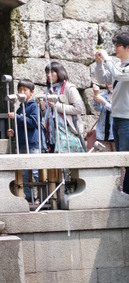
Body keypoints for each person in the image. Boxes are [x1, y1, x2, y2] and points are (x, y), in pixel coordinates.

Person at [92, 33, 129, 192]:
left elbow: (118, 75)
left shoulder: (122, 68)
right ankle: (124, 192)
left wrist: (107, 58)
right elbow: (103, 79)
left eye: (118, 45)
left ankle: (126, 192)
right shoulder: (118, 65)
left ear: (127, 47)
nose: (115, 48)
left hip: (127, 119)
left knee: (126, 159)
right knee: (121, 159)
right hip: (117, 118)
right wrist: (99, 63)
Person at [6, 78, 44, 206]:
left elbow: (34, 122)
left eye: (25, 90)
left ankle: (42, 196)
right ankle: (29, 197)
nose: (22, 92)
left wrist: (17, 117)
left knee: (35, 171)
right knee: (24, 173)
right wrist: (14, 132)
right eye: (19, 90)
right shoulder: (20, 108)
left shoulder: (33, 106)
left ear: (31, 92)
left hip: (32, 143)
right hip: (22, 143)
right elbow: (21, 125)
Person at [41, 61, 85, 153]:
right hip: (52, 131)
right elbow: (49, 114)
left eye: (52, 72)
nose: (48, 75)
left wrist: (57, 106)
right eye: (47, 72)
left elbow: (78, 108)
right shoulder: (48, 91)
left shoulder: (69, 88)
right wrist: (43, 108)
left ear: (59, 72)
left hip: (67, 130)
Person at [91, 81, 114, 151]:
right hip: (102, 132)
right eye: (108, 83)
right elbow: (97, 109)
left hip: (115, 132)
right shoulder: (103, 95)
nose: (110, 85)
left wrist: (104, 102)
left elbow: (117, 110)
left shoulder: (121, 96)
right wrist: (96, 95)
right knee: (103, 155)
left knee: (119, 155)